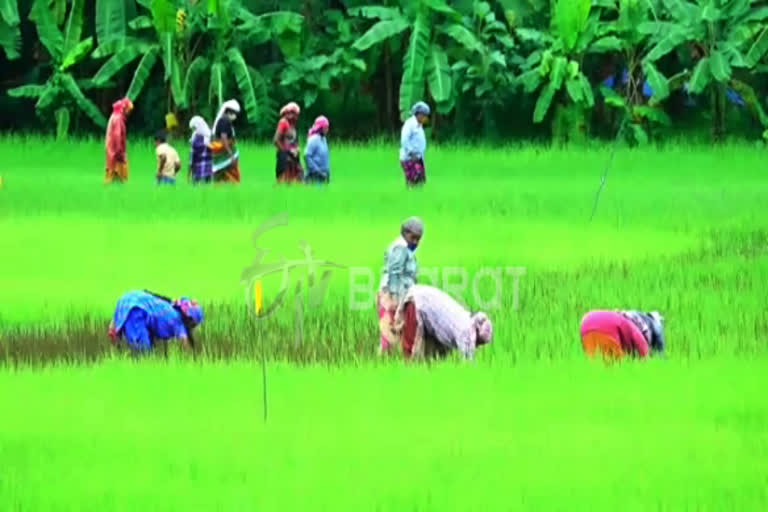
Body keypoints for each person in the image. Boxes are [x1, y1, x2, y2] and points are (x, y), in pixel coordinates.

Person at [393, 285, 493, 361]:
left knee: (434, 358)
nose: (477, 346)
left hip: (424, 302)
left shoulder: (466, 318)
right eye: (478, 343)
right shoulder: (466, 332)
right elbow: (468, 365)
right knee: (411, 356)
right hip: (419, 303)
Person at [378, 216, 423, 355]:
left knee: (398, 334)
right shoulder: (400, 247)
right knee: (389, 335)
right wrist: (395, 299)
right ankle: (383, 365)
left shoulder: (406, 249)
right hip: (391, 296)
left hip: (400, 296)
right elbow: (395, 273)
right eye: (412, 237)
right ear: (404, 233)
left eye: (418, 239)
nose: (415, 242)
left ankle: (391, 363)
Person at [108, 290, 203, 352]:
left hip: (128, 299)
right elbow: (184, 342)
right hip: (136, 310)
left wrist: (114, 323)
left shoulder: (168, 305)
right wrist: (193, 359)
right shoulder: (177, 321)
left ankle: (116, 354)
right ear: (190, 320)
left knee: (122, 342)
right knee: (144, 355)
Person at [579, 310, 665, 360]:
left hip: (586, 322)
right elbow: (644, 360)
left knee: (596, 365)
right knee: (616, 370)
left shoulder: (630, 319)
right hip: (607, 327)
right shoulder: (639, 337)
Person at [400, 101, 430, 186]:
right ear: (419, 114)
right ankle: (410, 197)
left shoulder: (419, 125)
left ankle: (417, 198)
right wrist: (411, 152)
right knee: (414, 180)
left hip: (418, 158)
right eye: (424, 116)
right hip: (409, 158)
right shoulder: (410, 124)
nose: (425, 118)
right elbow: (404, 140)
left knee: (421, 181)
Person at [211, 99, 241, 183]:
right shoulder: (224, 121)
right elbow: (224, 139)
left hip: (223, 152)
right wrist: (230, 154)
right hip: (224, 154)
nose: (235, 116)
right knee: (230, 176)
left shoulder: (223, 121)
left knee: (220, 177)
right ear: (229, 112)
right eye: (234, 113)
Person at [104, 98, 133, 184]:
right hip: (116, 152)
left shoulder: (114, 115)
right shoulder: (119, 119)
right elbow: (117, 136)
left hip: (111, 151)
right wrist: (120, 153)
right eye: (129, 110)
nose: (129, 112)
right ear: (124, 108)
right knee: (120, 178)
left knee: (111, 174)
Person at [274, 102, 303, 183]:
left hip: (294, 157)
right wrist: (286, 153)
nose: (295, 116)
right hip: (285, 157)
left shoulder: (293, 125)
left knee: (298, 180)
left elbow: (294, 142)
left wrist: (296, 150)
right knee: (284, 181)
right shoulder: (283, 122)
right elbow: (276, 140)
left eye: (296, 114)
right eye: (292, 113)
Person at [304, 115, 330, 184]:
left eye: (327, 127)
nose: (327, 129)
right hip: (315, 175)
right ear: (320, 128)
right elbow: (307, 156)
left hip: (324, 174)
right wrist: (316, 170)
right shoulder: (313, 139)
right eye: (326, 127)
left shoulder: (324, 139)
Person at [188, 116, 213, 184]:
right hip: (207, 169)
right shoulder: (210, 135)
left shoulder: (195, 138)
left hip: (199, 168)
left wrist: (189, 171)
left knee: (196, 187)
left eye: (194, 128)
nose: (194, 130)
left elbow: (192, 155)